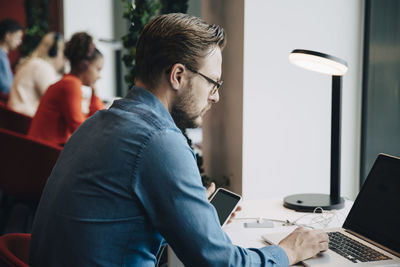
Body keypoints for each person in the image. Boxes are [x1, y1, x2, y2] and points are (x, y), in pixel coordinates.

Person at [29, 14, 328, 266]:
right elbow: (219, 263)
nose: (217, 96)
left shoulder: (101, 122)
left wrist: (189, 211)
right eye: (213, 82)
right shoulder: (158, 141)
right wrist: (288, 250)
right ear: (178, 76)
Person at [27, 32, 104, 146]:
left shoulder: (68, 82)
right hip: (45, 152)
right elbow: (81, 131)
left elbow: (95, 121)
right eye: (98, 69)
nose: (99, 76)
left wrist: (94, 94)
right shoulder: (71, 85)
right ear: (84, 65)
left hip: (43, 149)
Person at [7, 32, 66, 116]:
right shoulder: (42, 67)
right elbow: (55, 100)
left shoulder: (33, 63)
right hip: (27, 118)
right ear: (54, 52)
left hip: (16, 117)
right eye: (63, 52)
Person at [0, 18, 23, 95]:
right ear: (7, 36)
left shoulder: (3, 55)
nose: (20, 42)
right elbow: (6, 87)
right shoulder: (1, 57)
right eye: (18, 37)